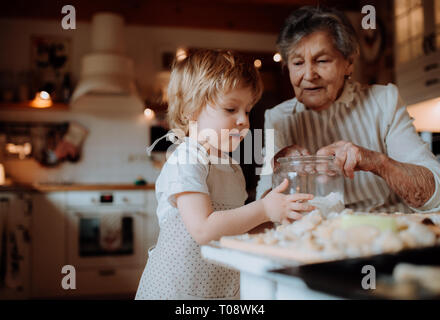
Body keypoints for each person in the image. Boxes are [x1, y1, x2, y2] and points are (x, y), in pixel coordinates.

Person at [135, 49, 315, 300]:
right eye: (231, 109)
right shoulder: (187, 158)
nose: (243, 120)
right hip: (175, 293)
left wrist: (276, 219)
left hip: (218, 293)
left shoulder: (231, 168)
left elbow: (233, 228)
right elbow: (203, 229)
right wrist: (264, 209)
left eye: (247, 110)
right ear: (191, 110)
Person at [256, 6, 440, 214]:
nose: (308, 74)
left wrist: (376, 161)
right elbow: (264, 208)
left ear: (349, 63)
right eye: (298, 63)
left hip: (384, 231)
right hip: (317, 236)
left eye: (322, 60)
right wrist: (281, 171)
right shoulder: (278, 117)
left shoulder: (383, 101)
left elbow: (434, 196)